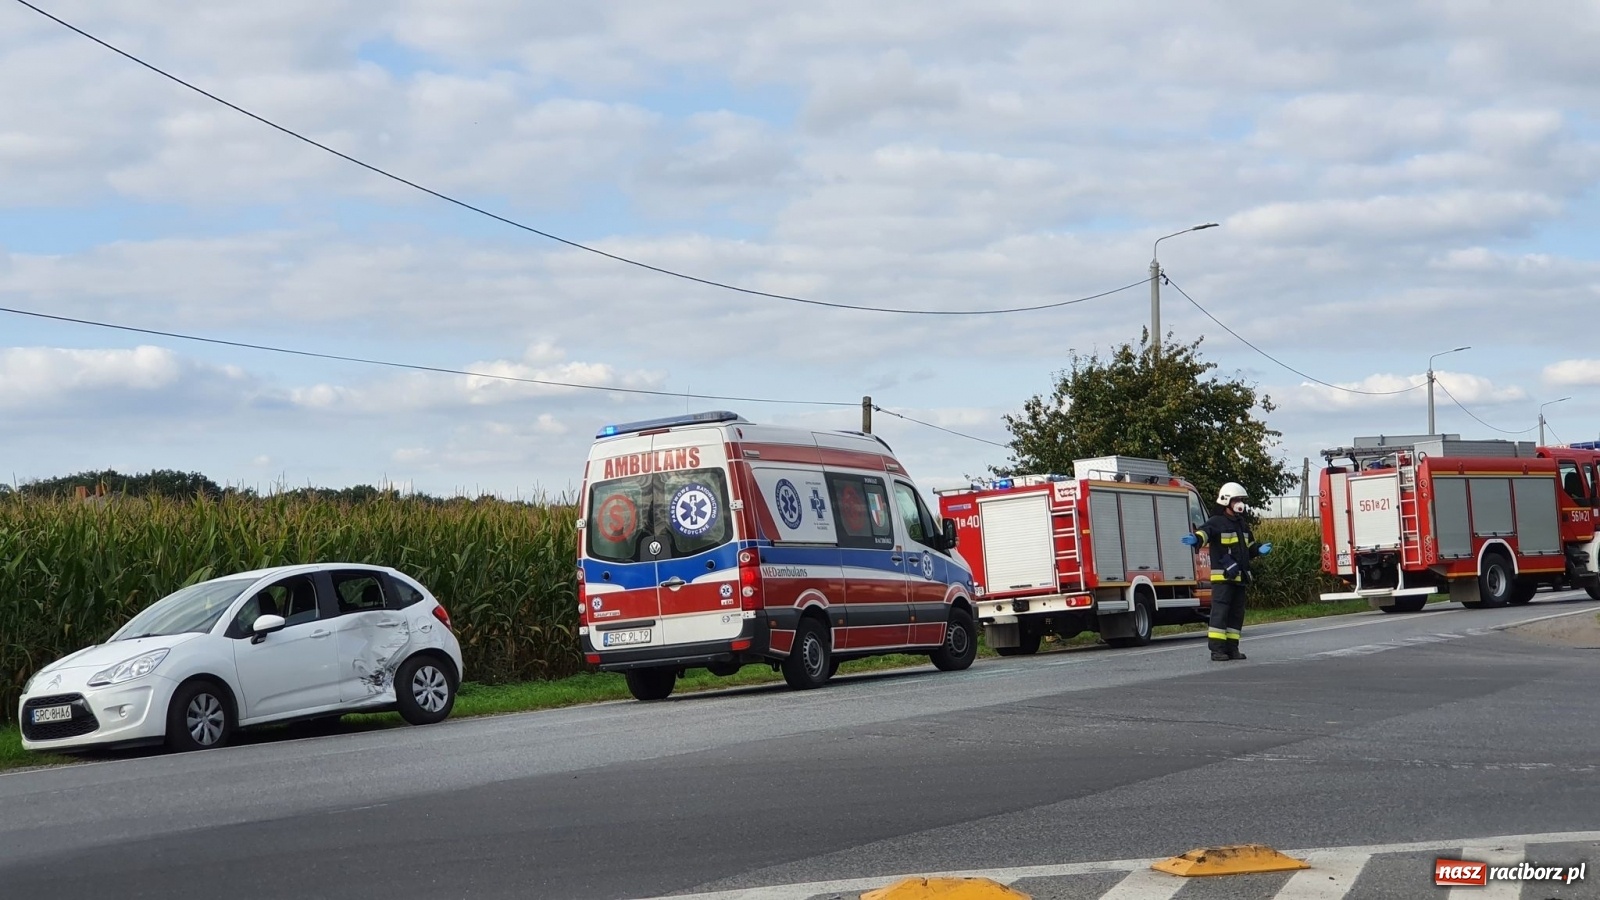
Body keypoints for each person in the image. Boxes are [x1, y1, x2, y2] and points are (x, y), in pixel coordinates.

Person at [1181, 482, 1271, 661]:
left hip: (1240, 578)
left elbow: (1249, 547)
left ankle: (1232, 649)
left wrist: (1258, 549)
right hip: (1223, 578)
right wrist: (1196, 539)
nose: (1240, 503)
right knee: (1220, 614)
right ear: (1226, 501)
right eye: (1236, 499)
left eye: (1241, 500)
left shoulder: (1242, 524)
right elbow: (1205, 533)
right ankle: (1217, 650)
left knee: (1236, 615)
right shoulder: (1216, 521)